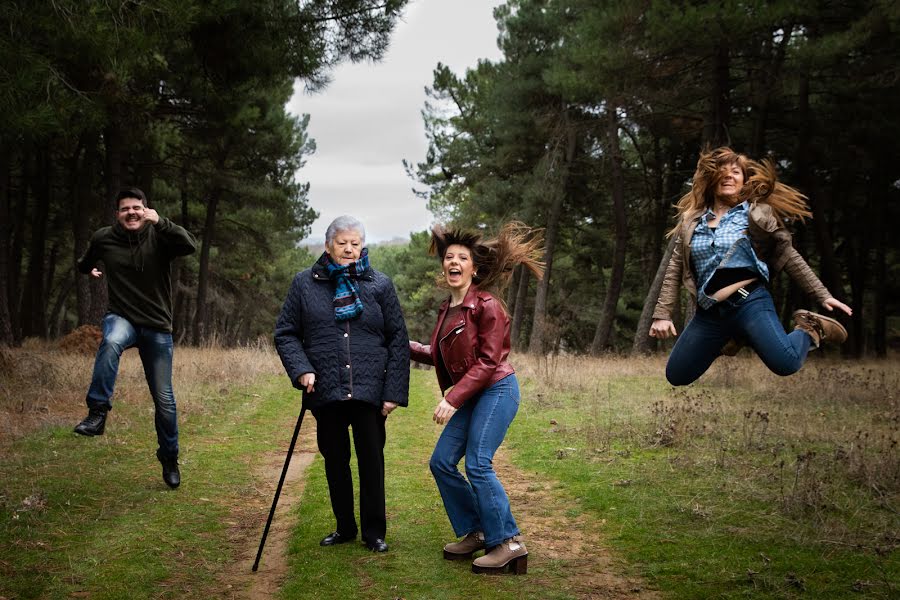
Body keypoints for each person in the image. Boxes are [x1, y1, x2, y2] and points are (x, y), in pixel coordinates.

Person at [649, 147, 852, 385]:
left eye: (735, 171)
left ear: (744, 180)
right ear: (710, 178)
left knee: (785, 363)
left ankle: (810, 328)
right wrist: (662, 314)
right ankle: (732, 336)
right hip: (710, 312)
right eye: (721, 171)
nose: (728, 175)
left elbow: (788, 254)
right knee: (677, 375)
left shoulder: (755, 215)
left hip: (750, 302)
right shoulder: (692, 221)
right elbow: (674, 269)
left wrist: (822, 294)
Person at [409, 222, 543, 575]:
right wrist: (398, 345)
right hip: (474, 396)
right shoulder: (447, 309)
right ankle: (479, 530)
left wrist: (453, 398)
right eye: (448, 257)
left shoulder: (487, 305)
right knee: (441, 462)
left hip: (497, 390)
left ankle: (509, 543)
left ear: (475, 268)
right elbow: (436, 353)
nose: (453, 262)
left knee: (479, 463)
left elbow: (487, 361)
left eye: (461, 257)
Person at [274, 215, 409, 553]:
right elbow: (286, 333)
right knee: (336, 461)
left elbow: (398, 341)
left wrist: (392, 392)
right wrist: (302, 369)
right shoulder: (304, 284)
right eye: (342, 243)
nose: (349, 250)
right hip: (326, 390)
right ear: (328, 245)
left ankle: (374, 533)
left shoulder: (380, 284)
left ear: (362, 246)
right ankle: (345, 527)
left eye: (355, 244)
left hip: (369, 391)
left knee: (371, 462)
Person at [73, 187, 197, 489]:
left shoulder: (161, 236)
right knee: (112, 340)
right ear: (117, 213)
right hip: (123, 317)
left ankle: (169, 458)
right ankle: (97, 413)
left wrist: (161, 222)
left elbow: (189, 245)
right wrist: (91, 270)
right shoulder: (104, 238)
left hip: (156, 326)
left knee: (165, 401)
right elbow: (83, 262)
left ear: (146, 210)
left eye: (137, 208)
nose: (131, 212)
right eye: (125, 208)